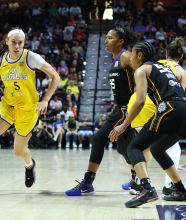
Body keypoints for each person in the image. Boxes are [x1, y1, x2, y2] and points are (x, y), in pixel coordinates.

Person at [0, 28, 60, 188]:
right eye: (13, 42)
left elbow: (55, 76)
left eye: (20, 43)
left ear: (24, 44)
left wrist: (45, 100)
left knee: (18, 152)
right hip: (8, 107)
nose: (17, 46)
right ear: (7, 42)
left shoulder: (31, 57)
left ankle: (30, 164)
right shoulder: (0, 61)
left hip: (28, 110)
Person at [110, 40, 186, 207]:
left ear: (140, 55)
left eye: (133, 54)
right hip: (183, 108)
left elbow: (140, 101)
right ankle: (180, 190)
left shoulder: (143, 69)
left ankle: (146, 188)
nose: (130, 59)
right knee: (158, 149)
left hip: (169, 108)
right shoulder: (164, 68)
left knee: (134, 147)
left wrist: (123, 125)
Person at [65, 27, 138, 196]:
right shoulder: (115, 60)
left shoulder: (126, 56)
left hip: (126, 109)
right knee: (122, 148)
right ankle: (136, 177)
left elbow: (142, 75)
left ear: (120, 42)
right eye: (106, 37)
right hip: (120, 108)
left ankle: (87, 182)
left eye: (110, 38)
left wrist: (137, 95)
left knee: (98, 139)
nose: (106, 41)